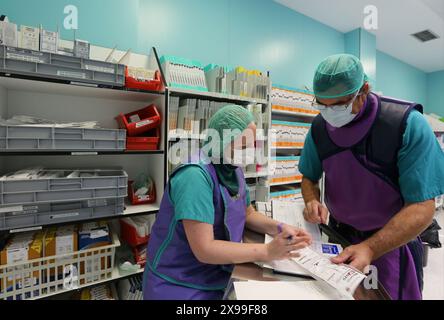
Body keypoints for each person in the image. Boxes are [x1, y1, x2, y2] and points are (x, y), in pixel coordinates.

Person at [299, 54, 444, 300]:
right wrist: (311, 200)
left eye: (339, 105)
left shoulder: (404, 124)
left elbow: (422, 206)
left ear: (364, 90)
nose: (330, 113)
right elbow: (309, 177)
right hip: (340, 238)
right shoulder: (320, 128)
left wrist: (370, 247)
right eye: (322, 105)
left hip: (390, 246)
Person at [143, 105, 312, 300]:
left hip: (216, 273)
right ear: (220, 142)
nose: (249, 152)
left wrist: (280, 227)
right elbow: (204, 249)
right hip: (176, 283)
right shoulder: (194, 176)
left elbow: (247, 213)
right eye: (242, 147)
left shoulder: (232, 168)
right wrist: (266, 251)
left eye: (252, 145)